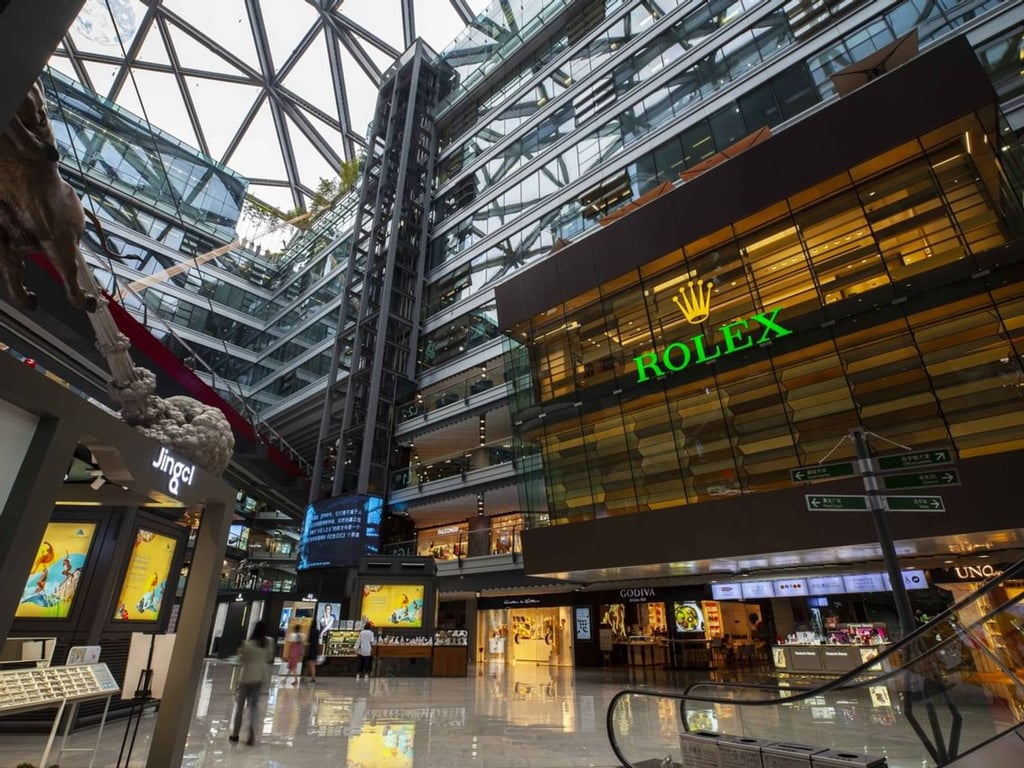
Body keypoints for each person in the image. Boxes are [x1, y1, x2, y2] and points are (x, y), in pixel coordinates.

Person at [230, 620, 273, 746]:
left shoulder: (247, 644)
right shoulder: (269, 643)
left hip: (246, 677)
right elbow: (269, 658)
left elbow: (241, 659)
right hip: (259, 677)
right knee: (253, 707)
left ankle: (235, 734)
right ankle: (251, 734)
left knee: (240, 707)